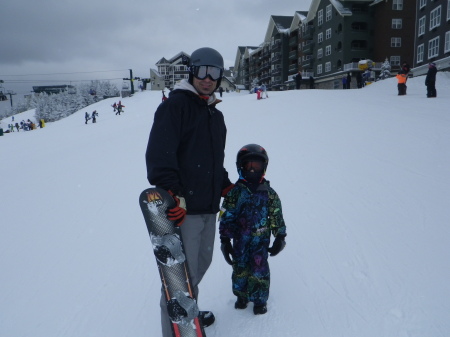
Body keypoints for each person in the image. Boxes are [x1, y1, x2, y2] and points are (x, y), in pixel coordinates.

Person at [145, 47, 234, 337]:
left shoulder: (214, 116)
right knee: (179, 278)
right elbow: (160, 157)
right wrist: (173, 195)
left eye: (215, 73)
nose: (208, 79)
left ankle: (189, 312)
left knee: (200, 265)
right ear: (192, 71)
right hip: (184, 211)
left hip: (208, 206)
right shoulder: (176, 106)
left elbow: (212, 160)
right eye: (202, 71)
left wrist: (225, 184)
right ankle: (174, 331)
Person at [219, 144, 286, 315]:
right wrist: (225, 241)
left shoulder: (269, 193)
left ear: (264, 167)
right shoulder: (234, 193)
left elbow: (276, 215)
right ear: (240, 166)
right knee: (240, 268)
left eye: (256, 165)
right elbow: (227, 216)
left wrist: (280, 236)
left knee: (259, 270)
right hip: (240, 241)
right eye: (248, 165)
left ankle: (259, 300)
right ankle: (241, 296)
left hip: (260, 241)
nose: (252, 169)